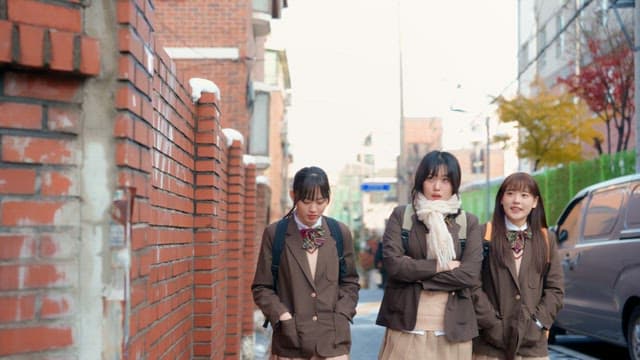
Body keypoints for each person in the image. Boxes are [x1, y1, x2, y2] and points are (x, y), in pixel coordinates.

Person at [376, 150, 483, 359]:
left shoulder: (468, 222)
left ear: (454, 184)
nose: (437, 187)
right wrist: (440, 265)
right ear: (420, 181)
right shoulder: (402, 216)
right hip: (406, 327)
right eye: (431, 178)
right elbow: (395, 266)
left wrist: (415, 275)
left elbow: (468, 275)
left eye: (445, 180)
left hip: (453, 330)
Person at [252, 166, 360, 360]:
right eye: (306, 201)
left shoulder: (339, 232)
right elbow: (262, 287)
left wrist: (342, 314)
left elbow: (350, 281)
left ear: (328, 198)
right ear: (293, 195)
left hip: (332, 343)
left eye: (320, 202)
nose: (313, 209)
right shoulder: (275, 234)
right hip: (291, 342)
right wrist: (282, 317)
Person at [472, 172, 564, 360]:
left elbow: (555, 289)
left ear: (535, 202)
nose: (516, 201)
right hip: (489, 346)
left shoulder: (547, 239)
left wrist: (537, 324)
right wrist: (492, 325)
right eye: (510, 193)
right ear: (501, 199)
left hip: (533, 347)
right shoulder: (484, 234)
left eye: (524, 195)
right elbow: (472, 285)